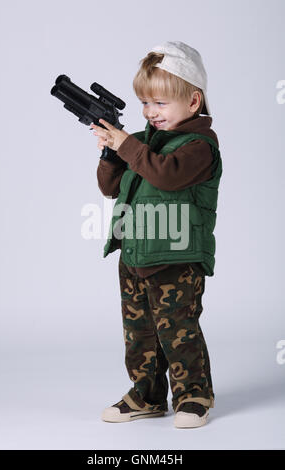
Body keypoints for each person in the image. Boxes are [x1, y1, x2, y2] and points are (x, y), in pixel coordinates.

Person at [90, 41, 222, 428]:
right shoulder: (143, 143)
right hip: (135, 255)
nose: (150, 112)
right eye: (146, 103)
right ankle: (147, 394)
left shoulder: (200, 147)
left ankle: (193, 394)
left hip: (176, 258)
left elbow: (167, 174)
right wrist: (111, 154)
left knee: (178, 330)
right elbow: (110, 188)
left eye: (160, 103)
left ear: (193, 101)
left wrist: (127, 146)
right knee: (140, 333)